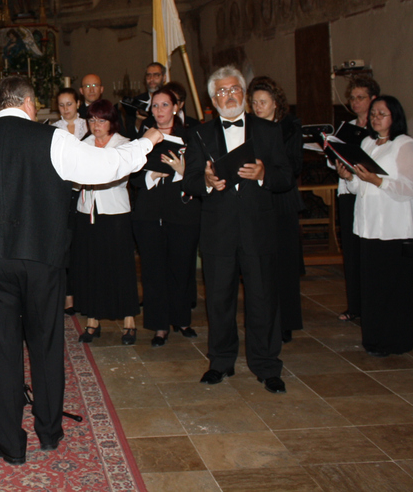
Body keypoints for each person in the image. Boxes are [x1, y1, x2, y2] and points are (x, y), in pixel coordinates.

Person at [0, 76, 162, 465]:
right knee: (46, 344)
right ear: (29, 104)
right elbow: (107, 166)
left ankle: (11, 444)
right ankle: (49, 432)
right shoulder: (54, 139)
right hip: (41, 259)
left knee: (1, 350)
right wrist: (147, 142)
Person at [183, 66, 293, 395]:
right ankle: (220, 361)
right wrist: (206, 181)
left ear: (243, 94)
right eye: (221, 91)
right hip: (218, 229)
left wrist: (263, 174)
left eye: (233, 90)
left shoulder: (268, 130)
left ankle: (267, 365)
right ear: (212, 100)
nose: (228, 96)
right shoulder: (199, 134)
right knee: (219, 300)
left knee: (263, 299)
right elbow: (189, 181)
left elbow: (286, 177)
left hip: (258, 228)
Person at [336, 95, 413, 356]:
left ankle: (395, 341)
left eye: (381, 114)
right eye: (373, 114)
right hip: (368, 226)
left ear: (395, 117)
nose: (375, 118)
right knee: (372, 288)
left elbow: (408, 188)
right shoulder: (367, 143)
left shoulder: (405, 145)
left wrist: (377, 180)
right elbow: (358, 188)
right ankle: (373, 339)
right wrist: (349, 177)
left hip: (393, 228)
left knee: (392, 288)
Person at [132, 87, 201, 346]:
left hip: (182, 212)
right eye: (155, 105)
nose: (159, 110)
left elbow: (201, 174)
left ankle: (181, 319)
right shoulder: (144, 137)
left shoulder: (191, 135)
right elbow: (132, 175)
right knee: (153, 270)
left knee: (181, 268)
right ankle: (159, 325)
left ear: (175, 108)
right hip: (149, 213)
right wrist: (151, 175)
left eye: (164, 105)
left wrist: (182, 171)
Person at [71, 100, 139, 345]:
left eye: (101, 120)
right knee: (91, 266)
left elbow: (119, 177)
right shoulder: (83, 144)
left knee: (120, 266)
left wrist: (90, 173)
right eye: (91, 120)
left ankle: (129, 321)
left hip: (115, 212)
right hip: (87, 211)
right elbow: (73, 179)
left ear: (111, 122)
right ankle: (93, 320)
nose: (96, 125)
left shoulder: (123, 144)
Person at [248, 76, 305, 343]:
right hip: (256, 201)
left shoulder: (290, 127)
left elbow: (294, 165)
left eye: (263, 102)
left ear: (275, 103)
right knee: (260, 266)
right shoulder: (249, 128)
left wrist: (266, 170)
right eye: (254, 102)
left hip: (282, 200)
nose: (258, 107)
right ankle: (264, 318)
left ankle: (286, 322)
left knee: (284, 264)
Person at [336, 75, 380, 322]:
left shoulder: (379, 129)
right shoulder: (347, 128)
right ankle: (354, 306)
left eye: (360, 98)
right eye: (352, 98)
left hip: (370, 194)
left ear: (373, 99)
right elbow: (336, 157)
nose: (355, 102)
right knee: (351, 251)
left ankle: (370, 305)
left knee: (368, 251)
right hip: (347, 191)